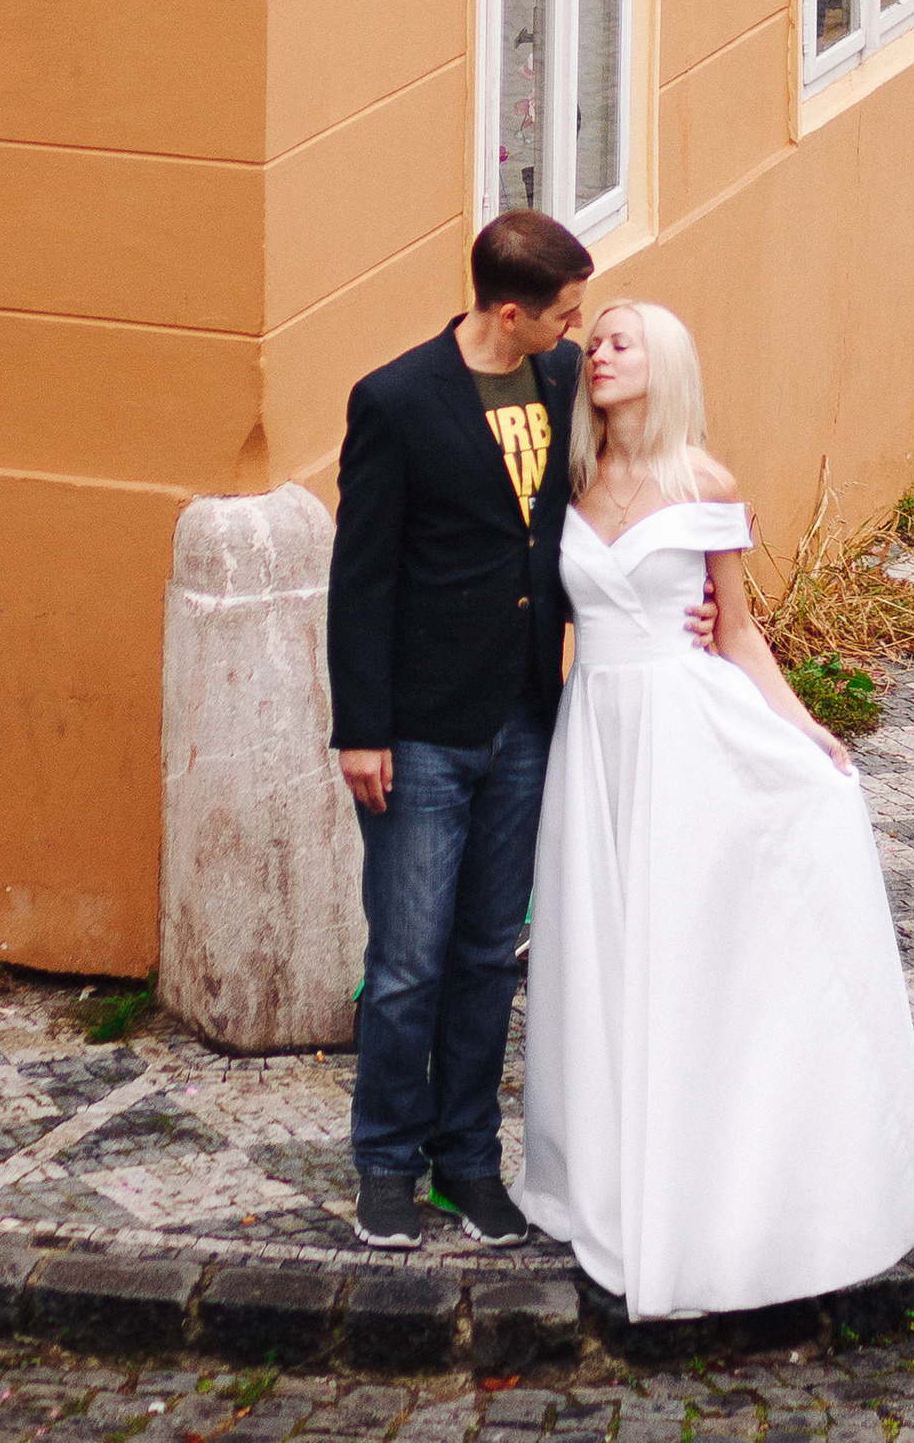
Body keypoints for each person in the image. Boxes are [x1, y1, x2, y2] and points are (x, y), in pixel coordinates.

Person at [518, 300, 914, 1319]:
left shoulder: (704, 483)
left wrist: (803, 728)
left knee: (685, 948)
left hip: (685, 729)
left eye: (621, 340)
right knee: (599, 948)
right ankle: (604, 1177)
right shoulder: (567, 481)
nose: (600, 352)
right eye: (596, 340)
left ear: (662, 365)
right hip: (596, 736)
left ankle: (722, 1175)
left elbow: (739, 632)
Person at [325, 207, 595, 1251]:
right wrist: (363, 729)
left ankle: (468, 1164)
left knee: (489, 952)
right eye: (564, 313)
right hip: (423, 730)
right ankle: (386, 1167)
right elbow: (364, 577)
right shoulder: (397, 401)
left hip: (527, 715)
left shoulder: (561, 382)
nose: (577, 328)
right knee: (407, 964)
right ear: (511, 309)